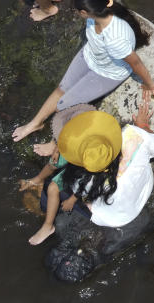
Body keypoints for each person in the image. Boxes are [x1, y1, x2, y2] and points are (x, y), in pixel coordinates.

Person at [11, 0, 154, 142]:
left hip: (107, 72)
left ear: (84, 12)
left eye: (75, 9)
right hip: (90, 55)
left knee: (62, 106)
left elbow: (135, 64)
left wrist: (148, 83)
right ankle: (34, 124)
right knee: (61, 89)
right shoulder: (97, 14)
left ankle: (55, 146)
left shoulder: (116, 38)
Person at [27, 97, 154, 237]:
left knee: (52, 186)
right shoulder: (133, 136)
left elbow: (81, 193)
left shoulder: (82, 180)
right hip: (143, 191)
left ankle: (45, 217)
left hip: (113, 218)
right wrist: (142, 126)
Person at [19, 105, 125, 245]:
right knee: (54, 162)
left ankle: (48, 225)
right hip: (81, 158)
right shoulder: (95, 138)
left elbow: (87, 186)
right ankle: (38, 180)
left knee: (52, 188)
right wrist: (57, 147)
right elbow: (58, 154)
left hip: (86, 171)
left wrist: (72, 199)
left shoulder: (98, 166)